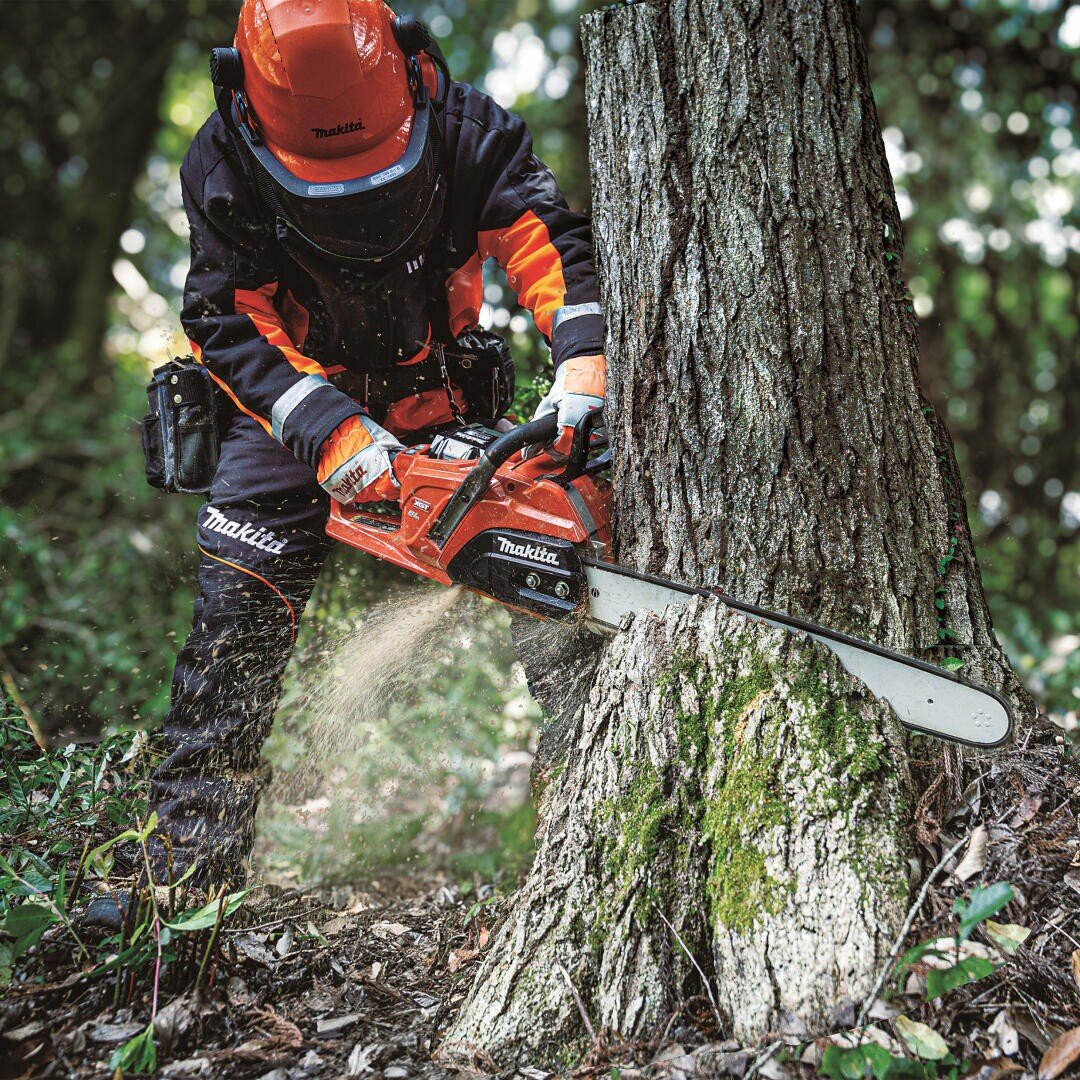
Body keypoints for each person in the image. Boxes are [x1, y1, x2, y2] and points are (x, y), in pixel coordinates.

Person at [89, 0, 606, 918]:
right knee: (236, 608)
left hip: (434, 386)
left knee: (546, 557)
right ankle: (183, 875)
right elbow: (226, 315)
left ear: (409, 73)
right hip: (293, 404)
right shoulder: (225, 159)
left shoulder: (463, 129)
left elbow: (543, 241)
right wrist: (328, 429)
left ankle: (593, 823)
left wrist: (583, 361)